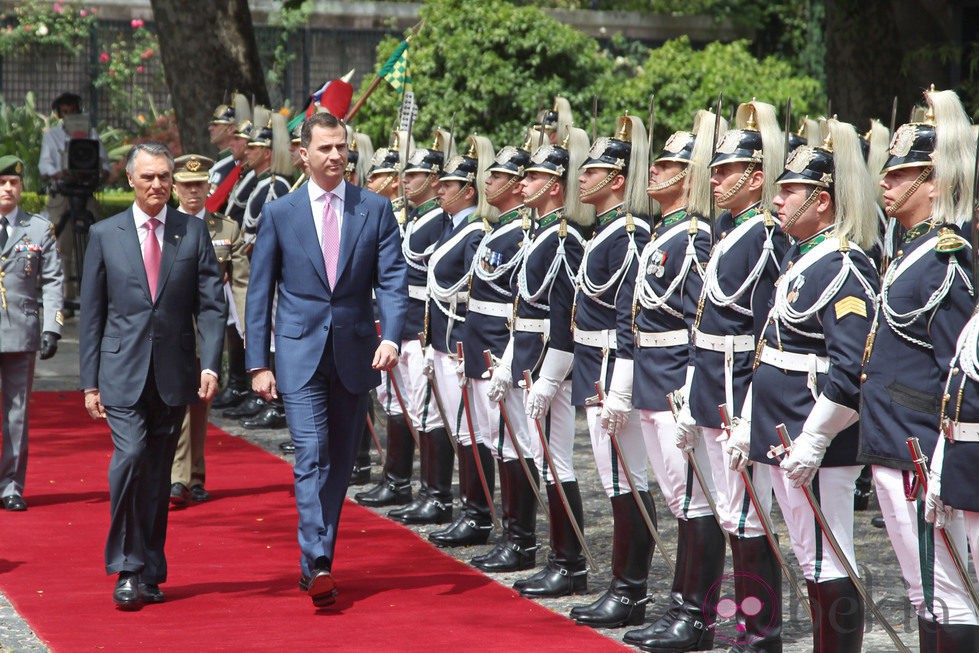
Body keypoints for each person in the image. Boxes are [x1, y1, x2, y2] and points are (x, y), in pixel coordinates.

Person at [245, 111, 407, 607]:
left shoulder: (374, 208)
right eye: (325, 148)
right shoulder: (280, 213)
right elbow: (259, 291)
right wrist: (259, 363)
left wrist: (393, 336)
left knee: (339, 463)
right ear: (303, 154)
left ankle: (319, 561)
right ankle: (316, 558)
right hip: (298, 353)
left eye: (341, 147)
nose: (335, 156)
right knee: (312, 454)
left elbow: (394, 280)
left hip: (357, 351)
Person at [748, 119, 880, 652]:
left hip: (815, 437)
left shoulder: (844, 266)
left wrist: (816, 437)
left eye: (790, 191)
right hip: (788, 432)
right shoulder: (802, 257)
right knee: (811, 555)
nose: (778, 201)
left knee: (828, 556)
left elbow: (850, 371)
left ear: (822, 201)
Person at [78, 142, 226, 610]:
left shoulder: (192, 232)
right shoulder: (105, 234)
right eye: (149, 177)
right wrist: (89, 382)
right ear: (130, 180)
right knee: (131, 456)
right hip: (120, 371)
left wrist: (209, 363)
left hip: (174, 373)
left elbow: (212, 306)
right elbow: (92, 315)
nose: (158, 185)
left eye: (165, 176)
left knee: (160, 473)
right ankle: (126, 566)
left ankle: (151, 569)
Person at [859, 88, 979, 648]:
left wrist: (939, 458)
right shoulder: (910, 250)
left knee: (944, 593)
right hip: (891, 440)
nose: (884, 182)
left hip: (919, 445)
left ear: (932, 182)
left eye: (900, 173)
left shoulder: (944, 256)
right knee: (921, 592)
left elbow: (957, 370)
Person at [674, 100, 789, 652]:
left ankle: (759, 633)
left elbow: (767, 335)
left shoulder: (764, 237)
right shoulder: (731, 231)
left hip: (738, 391)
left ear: (756, 177)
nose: (715, 180)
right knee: (729, 513)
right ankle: (741, 627)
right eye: (714, 170)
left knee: (747, 517)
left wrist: (749, 414)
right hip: (712, 387)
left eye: (727, 171)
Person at [622, 111, 725, 652]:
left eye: (667, 164)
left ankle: (696, 616)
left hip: (675, 381)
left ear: (689, 175)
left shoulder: (694, 236)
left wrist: (689, 391)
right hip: (652, 376)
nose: (654, 170)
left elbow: (697, 319)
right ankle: (680, 604)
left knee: (696, 501)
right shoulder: (666, 232)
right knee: (679, 500)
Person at [566, 115, 654, 629]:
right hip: (594, 363)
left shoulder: (629, 231)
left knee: (626, 478)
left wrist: (619, 383)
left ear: (616, 180)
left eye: (592, 170)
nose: (581, 178)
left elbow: (630, 313)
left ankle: (630, 591)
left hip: (612, 364)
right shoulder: (606, 230)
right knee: (614, 479)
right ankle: (622, 586)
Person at [509, 126, 590, 598]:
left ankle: (570, 563)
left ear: (555, 186)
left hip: (549, 362)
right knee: (544, 460)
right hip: (529, 358)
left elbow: (564, 316)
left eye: (534, 178)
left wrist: (550, 375)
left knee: (557, 462)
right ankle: (560, 558)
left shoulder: (563, 237)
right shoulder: (540, 232)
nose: (523, 184)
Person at [466, 135, 538, 573]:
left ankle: (521, 539)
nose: (487, 181)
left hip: (502, 347)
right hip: (482, 345)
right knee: (497, 443)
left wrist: (507, 360)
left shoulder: (522, 233)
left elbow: (519, 302)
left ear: (515, 185)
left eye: (496, 175)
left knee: (514, 445)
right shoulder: (499, 229)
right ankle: (509, 531)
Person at [424, 136, 498, 549]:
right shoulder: (451, 226)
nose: (439, 189)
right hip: (441, 336)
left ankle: (478, 513)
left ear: (467, 191)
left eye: (447, 186)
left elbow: (471, 290)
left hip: (458, 340)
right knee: (459, 428)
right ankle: (471, 508)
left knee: (472, 431)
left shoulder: (475, 231)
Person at [168, 154, 249, 507]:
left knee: (201, 400)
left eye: (199, 185)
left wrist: (249, 333)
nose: (193, 192)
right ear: (174, 189)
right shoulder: (162, 226)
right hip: (170, 328)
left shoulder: (226, 230)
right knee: (178, 400)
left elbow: (243, 283)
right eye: (186, 185)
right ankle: (177, 476)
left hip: (208, 327)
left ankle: (193, 477)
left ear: (209, 187)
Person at [382, 135, 455, 525]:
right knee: (410, 406)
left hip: (421, 326)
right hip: (407, 323)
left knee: (428, 411)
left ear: (432, 177)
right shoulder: (416, 217)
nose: (404, 181)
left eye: (413, 174)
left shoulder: (437, 221)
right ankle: (409, 484)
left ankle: (437, 494)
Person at [0, 155, 64, 512]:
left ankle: (10, 485)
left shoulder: (38, 228)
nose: (8, 188)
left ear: (22, 187)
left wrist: (52, 327)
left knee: (16, 414)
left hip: (20, 332)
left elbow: (53, 280)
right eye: (2, 181)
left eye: (14, 182)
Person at [39, 92, 109, 305]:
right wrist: (62, 174)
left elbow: (104, 165)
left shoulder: (92, 134)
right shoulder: (51, 136)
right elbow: (44, 165)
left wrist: (98, 175)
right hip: (62, 198)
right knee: (61, 247)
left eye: (73, 110)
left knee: (94, 244)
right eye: (65, 111)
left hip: (86, 196)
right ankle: (65, 300)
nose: (69, 114)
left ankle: (92, 299)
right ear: (59, 113)